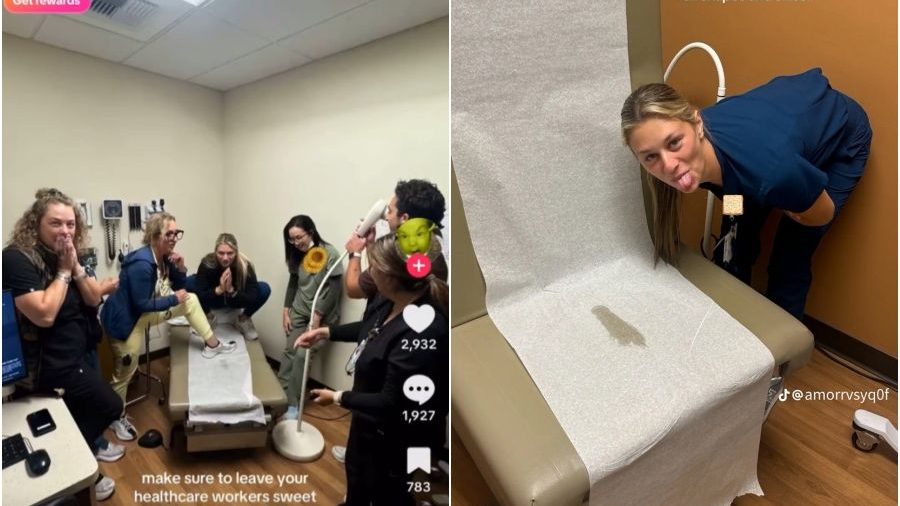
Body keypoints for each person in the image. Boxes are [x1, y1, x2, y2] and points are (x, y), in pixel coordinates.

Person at [621, 67, 872, 320]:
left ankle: (779, 342)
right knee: (734, 240)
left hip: (841, 136)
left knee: (790, 255)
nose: (668, 165)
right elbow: (734, 194)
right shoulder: (692, 157)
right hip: (776, 136)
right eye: (650, 156)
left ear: (698, 124)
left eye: (674, 143)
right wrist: (747, 206)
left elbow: (821, 215)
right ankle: (729, 324)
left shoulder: (773, 175)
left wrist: (783, 198)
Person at [295, 234, 448, 506]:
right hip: (367, 421)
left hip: (394, 433)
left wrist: (337, 397)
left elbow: (391, 401)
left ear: (390, 276)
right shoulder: (389, 300)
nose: (369, 272)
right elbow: (371, 329)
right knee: (357, 473)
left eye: (373, 266)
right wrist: (326, 332)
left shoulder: (424, 331)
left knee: (386, 490)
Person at [2, 188, 122, 501]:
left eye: (71, 224)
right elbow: (44, 314)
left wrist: (75, 266)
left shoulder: (69, 252)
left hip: (80, 351)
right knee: (110, 405)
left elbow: (93, 297)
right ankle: (70, 466)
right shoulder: (16, 258)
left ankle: (80, 466)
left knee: (75, 416)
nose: (65, 231)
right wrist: (65, 271)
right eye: (56, 223)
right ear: (36, 223)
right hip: (48, 363)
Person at [101, 213, 236, 440]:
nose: (174, 238)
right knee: (125, 370)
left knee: (190, 299)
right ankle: (115, 416)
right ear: (155, 236)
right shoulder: (142, 264)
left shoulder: (164, 257)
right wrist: (174, 299)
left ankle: (212, 344)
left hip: (142, 315)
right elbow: (141, 303)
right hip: (125, 321)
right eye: (169, 234)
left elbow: (181, 287)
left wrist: (181, 269)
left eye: (176, 233)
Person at [278, 215, 343, 420]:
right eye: (292, 239)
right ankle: (280, 397)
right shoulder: (296, 254)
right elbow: (293, 283)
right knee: (290, 352)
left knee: (302, 356)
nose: (296, 243)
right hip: (299, 311)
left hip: (323, 316)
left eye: (299, 237)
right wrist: (286, 310)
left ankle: (293, 404)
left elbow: (335, 290)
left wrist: (317, 316)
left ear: (311, 232)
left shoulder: (330, 253)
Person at [344, 179, 448, 300]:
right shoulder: (435, 256)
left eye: (390, 211)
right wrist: (370, 244)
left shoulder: (398, 255)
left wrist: (354, 253)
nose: (387, 217)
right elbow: (378, 279)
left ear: (404, 218)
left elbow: (354, 289)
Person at [186, 233, 271, 340]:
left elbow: (252, 296)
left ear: (236, 252)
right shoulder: (207, 263)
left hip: (235, 300)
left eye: (230, 253)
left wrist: (231, 291)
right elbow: (201, 293)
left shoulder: (245, 265)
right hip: (214, 300)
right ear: (215, 252)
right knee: (188, 282)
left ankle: (242, 319)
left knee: (264, 288)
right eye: (221, 253)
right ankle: (208, 317)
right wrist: (219, 289)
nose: (225, 258)